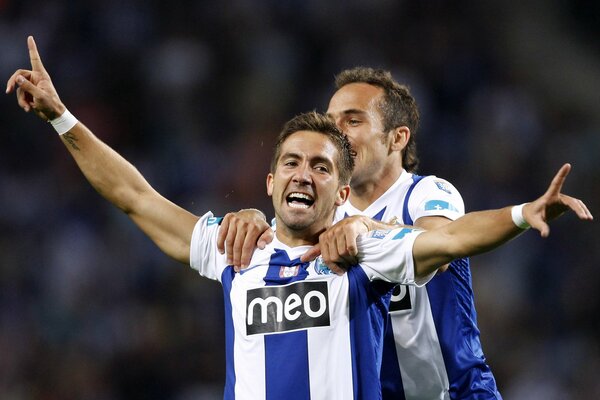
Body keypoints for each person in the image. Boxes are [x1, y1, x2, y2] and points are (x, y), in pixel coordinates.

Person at [7, 37, 593, 400]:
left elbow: (448, 238)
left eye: (322, 162)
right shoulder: (239, 249)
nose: (303, 173)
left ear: (340, 191)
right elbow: (135, 195)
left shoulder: (382, 231)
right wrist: (62, 119)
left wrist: (521, 212)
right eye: (290, 163)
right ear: (268, 183)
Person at [213, 68, 575, 399]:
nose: (337, 131)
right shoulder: (324, 210)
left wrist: (521, 214)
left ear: (397, 138)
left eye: (353, 120)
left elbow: (443, 242)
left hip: (451, 392)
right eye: (332, 120)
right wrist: (251, 216)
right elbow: (280, 245)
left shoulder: (427, 194)